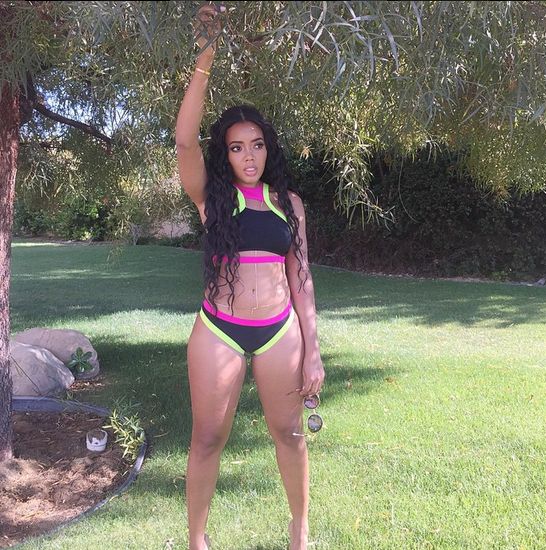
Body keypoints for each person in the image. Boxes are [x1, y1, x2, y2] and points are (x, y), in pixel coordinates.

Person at [175, 4, 325, 550]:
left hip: (280, 330)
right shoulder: (211, 199)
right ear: (227, 155)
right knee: (207, 438)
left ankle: (299, 531)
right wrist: (206, 54)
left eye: (256, 144)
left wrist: (313, 350)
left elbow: (301, 280)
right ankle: (197, 539)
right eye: (237, 147)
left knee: (290, 433)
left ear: (268, 147)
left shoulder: (290, 203)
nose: (249, 155)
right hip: (219, 328)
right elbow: (184, 141)